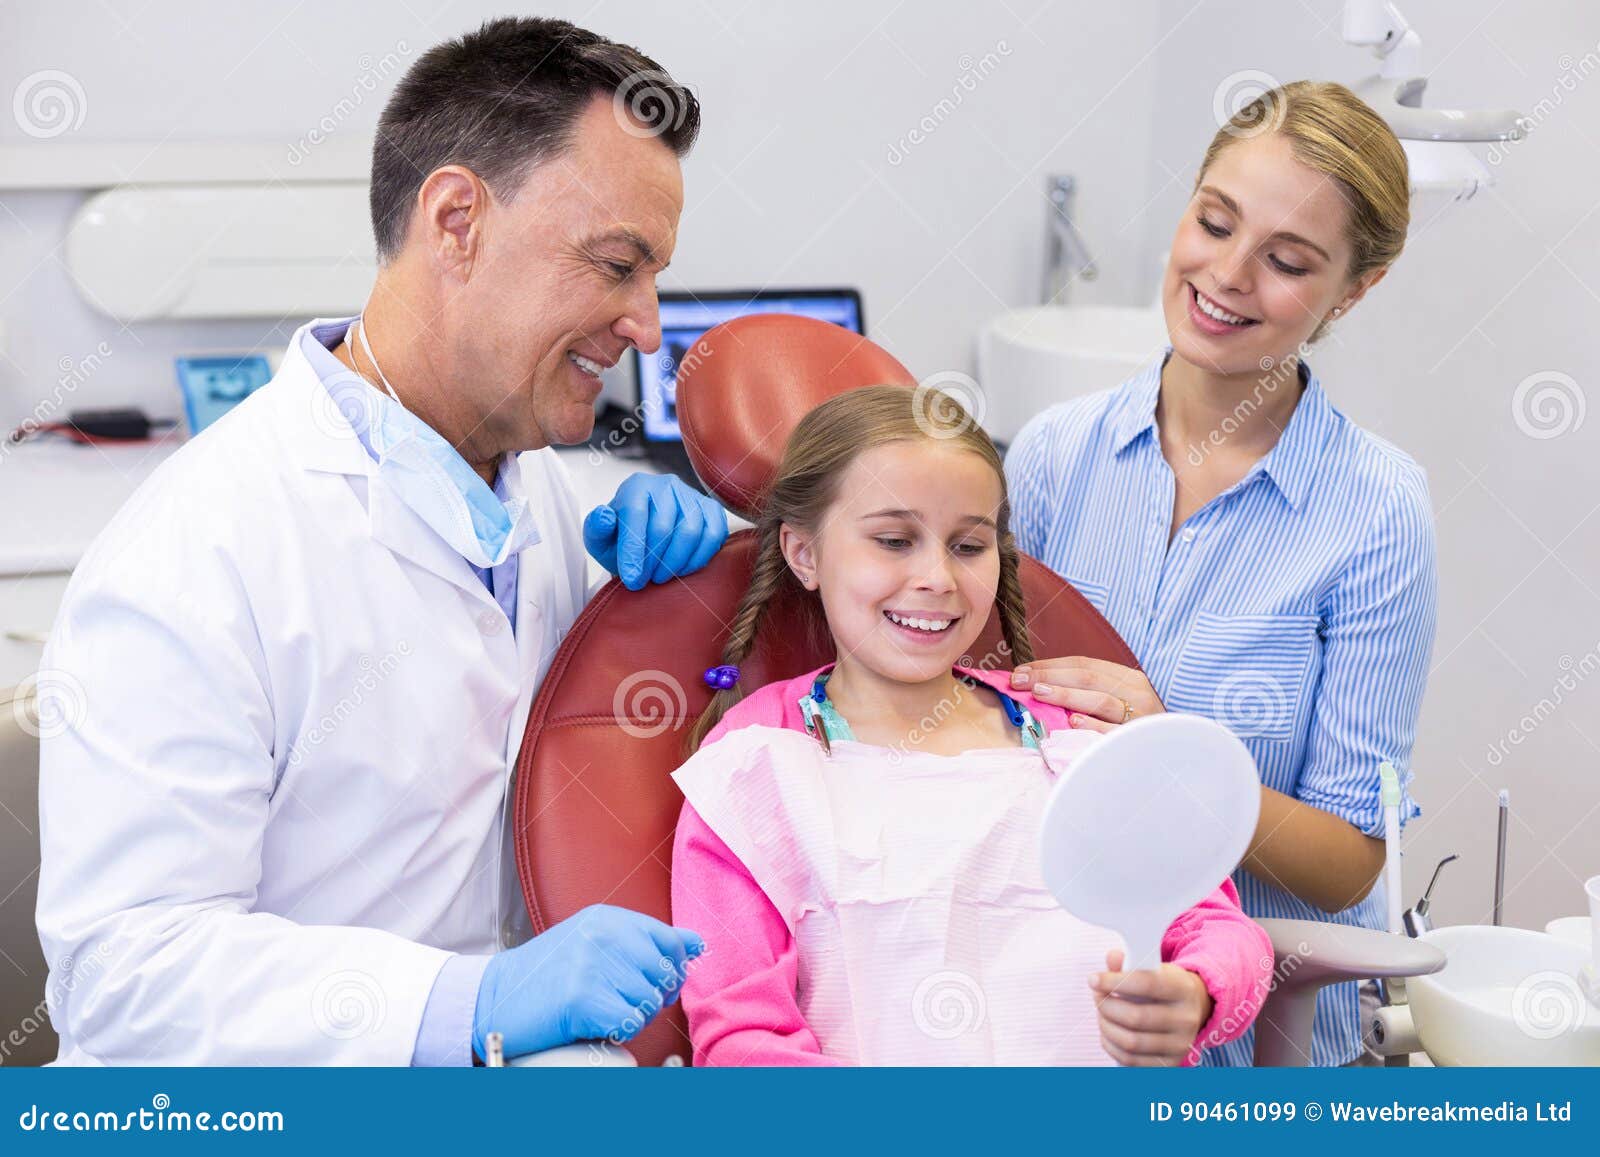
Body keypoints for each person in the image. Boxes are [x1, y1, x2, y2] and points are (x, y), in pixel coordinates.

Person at [35, 17, 725, 1066]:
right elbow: (125, 979)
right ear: (457, 220)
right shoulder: (197, 551)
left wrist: (705, 559)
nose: (645, 323)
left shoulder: (536, 480)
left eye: (653, 276)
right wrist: (468, 998)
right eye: (616, 265)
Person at [1004, 81, 1436, 1066]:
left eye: (1286, 261)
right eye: (1213, 222)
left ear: (1352, 290)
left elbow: (1343, 866)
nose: (1228, 275)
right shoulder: (1051, 457)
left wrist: (1171, 752)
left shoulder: (1374, 514)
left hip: (1252, 1046)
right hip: (1047, 1008)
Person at [669, 386, 1272, 1065]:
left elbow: (1220, 926)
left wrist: (1195, 992)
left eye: (968, 545)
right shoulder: (755, 767)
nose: (937, 577)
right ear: (803, 553)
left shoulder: (1076, 735)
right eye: (894, 540)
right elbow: (744, 1042)